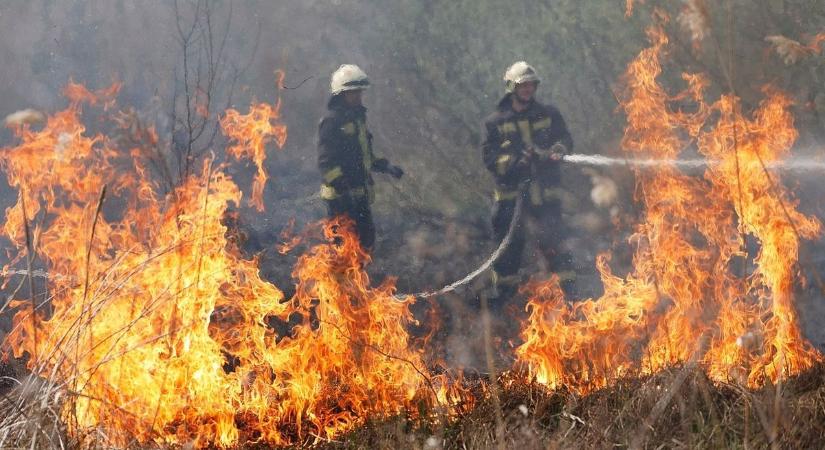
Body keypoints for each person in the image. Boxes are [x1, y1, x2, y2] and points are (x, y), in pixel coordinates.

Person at [481, 61, 575, 306]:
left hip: (545, 196)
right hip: (512, 200)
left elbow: (564, 138)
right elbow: (490, 159)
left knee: (555, 243)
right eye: (522, 85)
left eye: (531, 85)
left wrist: (558, 148)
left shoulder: (549, 114)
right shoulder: (495, 122)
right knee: (508, 249)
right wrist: (515, 163)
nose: (527, 89)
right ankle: (504, 300)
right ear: (512, 87)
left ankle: (572, 298)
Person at [317, 64, 404, 251]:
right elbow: (327, 163)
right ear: (341, 94)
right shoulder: (332, 122)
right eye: (353, 92)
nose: (358, 96)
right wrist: (343, 188)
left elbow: (365, 156)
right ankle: (339, 281)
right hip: (340, 199)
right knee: (343, 248)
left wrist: (386, 166)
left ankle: (358, 280)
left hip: (360, 195)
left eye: (359, 92)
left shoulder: (358, 119)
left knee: (365, 244)